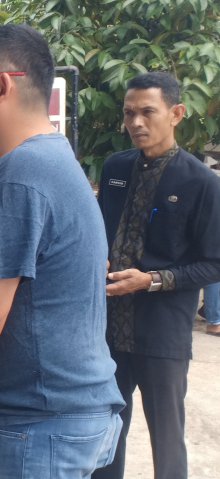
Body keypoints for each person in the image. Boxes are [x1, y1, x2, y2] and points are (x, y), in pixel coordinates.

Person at [0, 24, 125, 479]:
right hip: (70, 410)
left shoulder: (21, 172)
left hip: (42, 421)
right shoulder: (54, 158)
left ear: (2, 85)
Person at [92, 72, 220, 479]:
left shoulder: (201, 182)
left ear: (176, 113)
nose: (136, 122)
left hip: (163, 333)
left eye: (147, 112)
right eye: (129, 113)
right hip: (107, 332)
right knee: (105, 435)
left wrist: (151, 280)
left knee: (167, 439)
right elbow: (99, 232)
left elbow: (214, 263)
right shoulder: (115, 168)